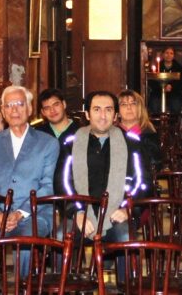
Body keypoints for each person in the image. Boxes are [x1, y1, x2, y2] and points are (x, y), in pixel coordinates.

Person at [56, 91, 149, 281]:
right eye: (97, 110)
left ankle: (126, 287)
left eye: (108, 110)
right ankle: (62, 286)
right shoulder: (71, 144)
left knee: (125, 236)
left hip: (118, 214)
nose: (103, 115)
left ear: (115, 115)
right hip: (82, 213)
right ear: (87, 114)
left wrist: (127, 208)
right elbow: (62, 182)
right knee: (59, 237)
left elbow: (143, 182)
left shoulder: (131, 144)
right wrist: (77, 212)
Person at [0, 86, 60, 257]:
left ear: (29, 109)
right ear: (3, 111)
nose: (14, 110)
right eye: (8, 105)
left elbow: (48, 185)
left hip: (34, 214)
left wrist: (19, 213)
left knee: (25, 245)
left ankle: (22, 278)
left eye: (20, 104)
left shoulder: (48, 143)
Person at [117, 89, 163, 177]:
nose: (129, 107)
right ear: (117, 112)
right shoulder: (112, 134)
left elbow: (156, 164)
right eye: (123, 104)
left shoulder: (149, 133)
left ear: (140, 109)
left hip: (142, 180)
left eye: (133, 103)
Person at [147, 46, 182, 115]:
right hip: (158, 92)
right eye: (166, 53)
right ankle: (157, 120)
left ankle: (174, 121)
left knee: (176, 103)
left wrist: (171, 86)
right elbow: (152, 81)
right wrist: (162, 87)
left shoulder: (178, 68)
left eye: (171, 53)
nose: (169, 55)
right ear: (163, 54)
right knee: (154, 103)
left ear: (173, 55)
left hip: (174, 92)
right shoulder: (157, 67)